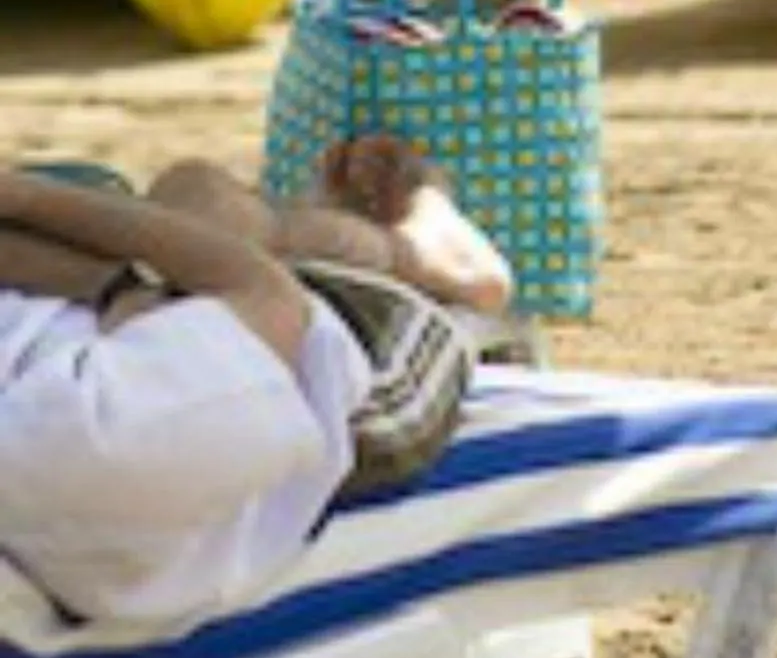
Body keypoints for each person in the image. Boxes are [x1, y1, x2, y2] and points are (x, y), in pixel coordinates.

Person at [0, 139, 510, 631]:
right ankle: (426, 251)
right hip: (340, 378)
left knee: (191, 201)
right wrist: (39, 206)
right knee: (201, 196)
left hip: (151, 331)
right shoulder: (89, 437)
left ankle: (321, 229)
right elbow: (261, 289)